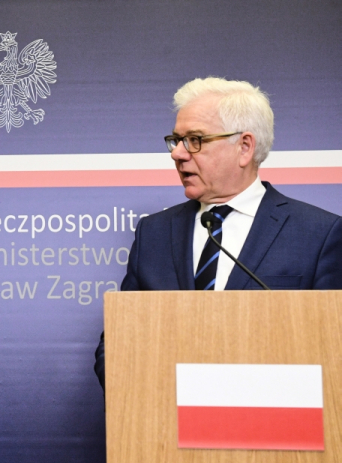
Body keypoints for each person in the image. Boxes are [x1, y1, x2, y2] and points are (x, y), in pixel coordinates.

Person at [94, 77, 342, 388]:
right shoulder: (153, 234)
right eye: (176, 140)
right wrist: (142, 396)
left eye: (195, 140)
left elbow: (334, 351)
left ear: (244, 147)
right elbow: (116, 343)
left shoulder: (319, 235)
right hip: (162, 428)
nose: (178, 154)